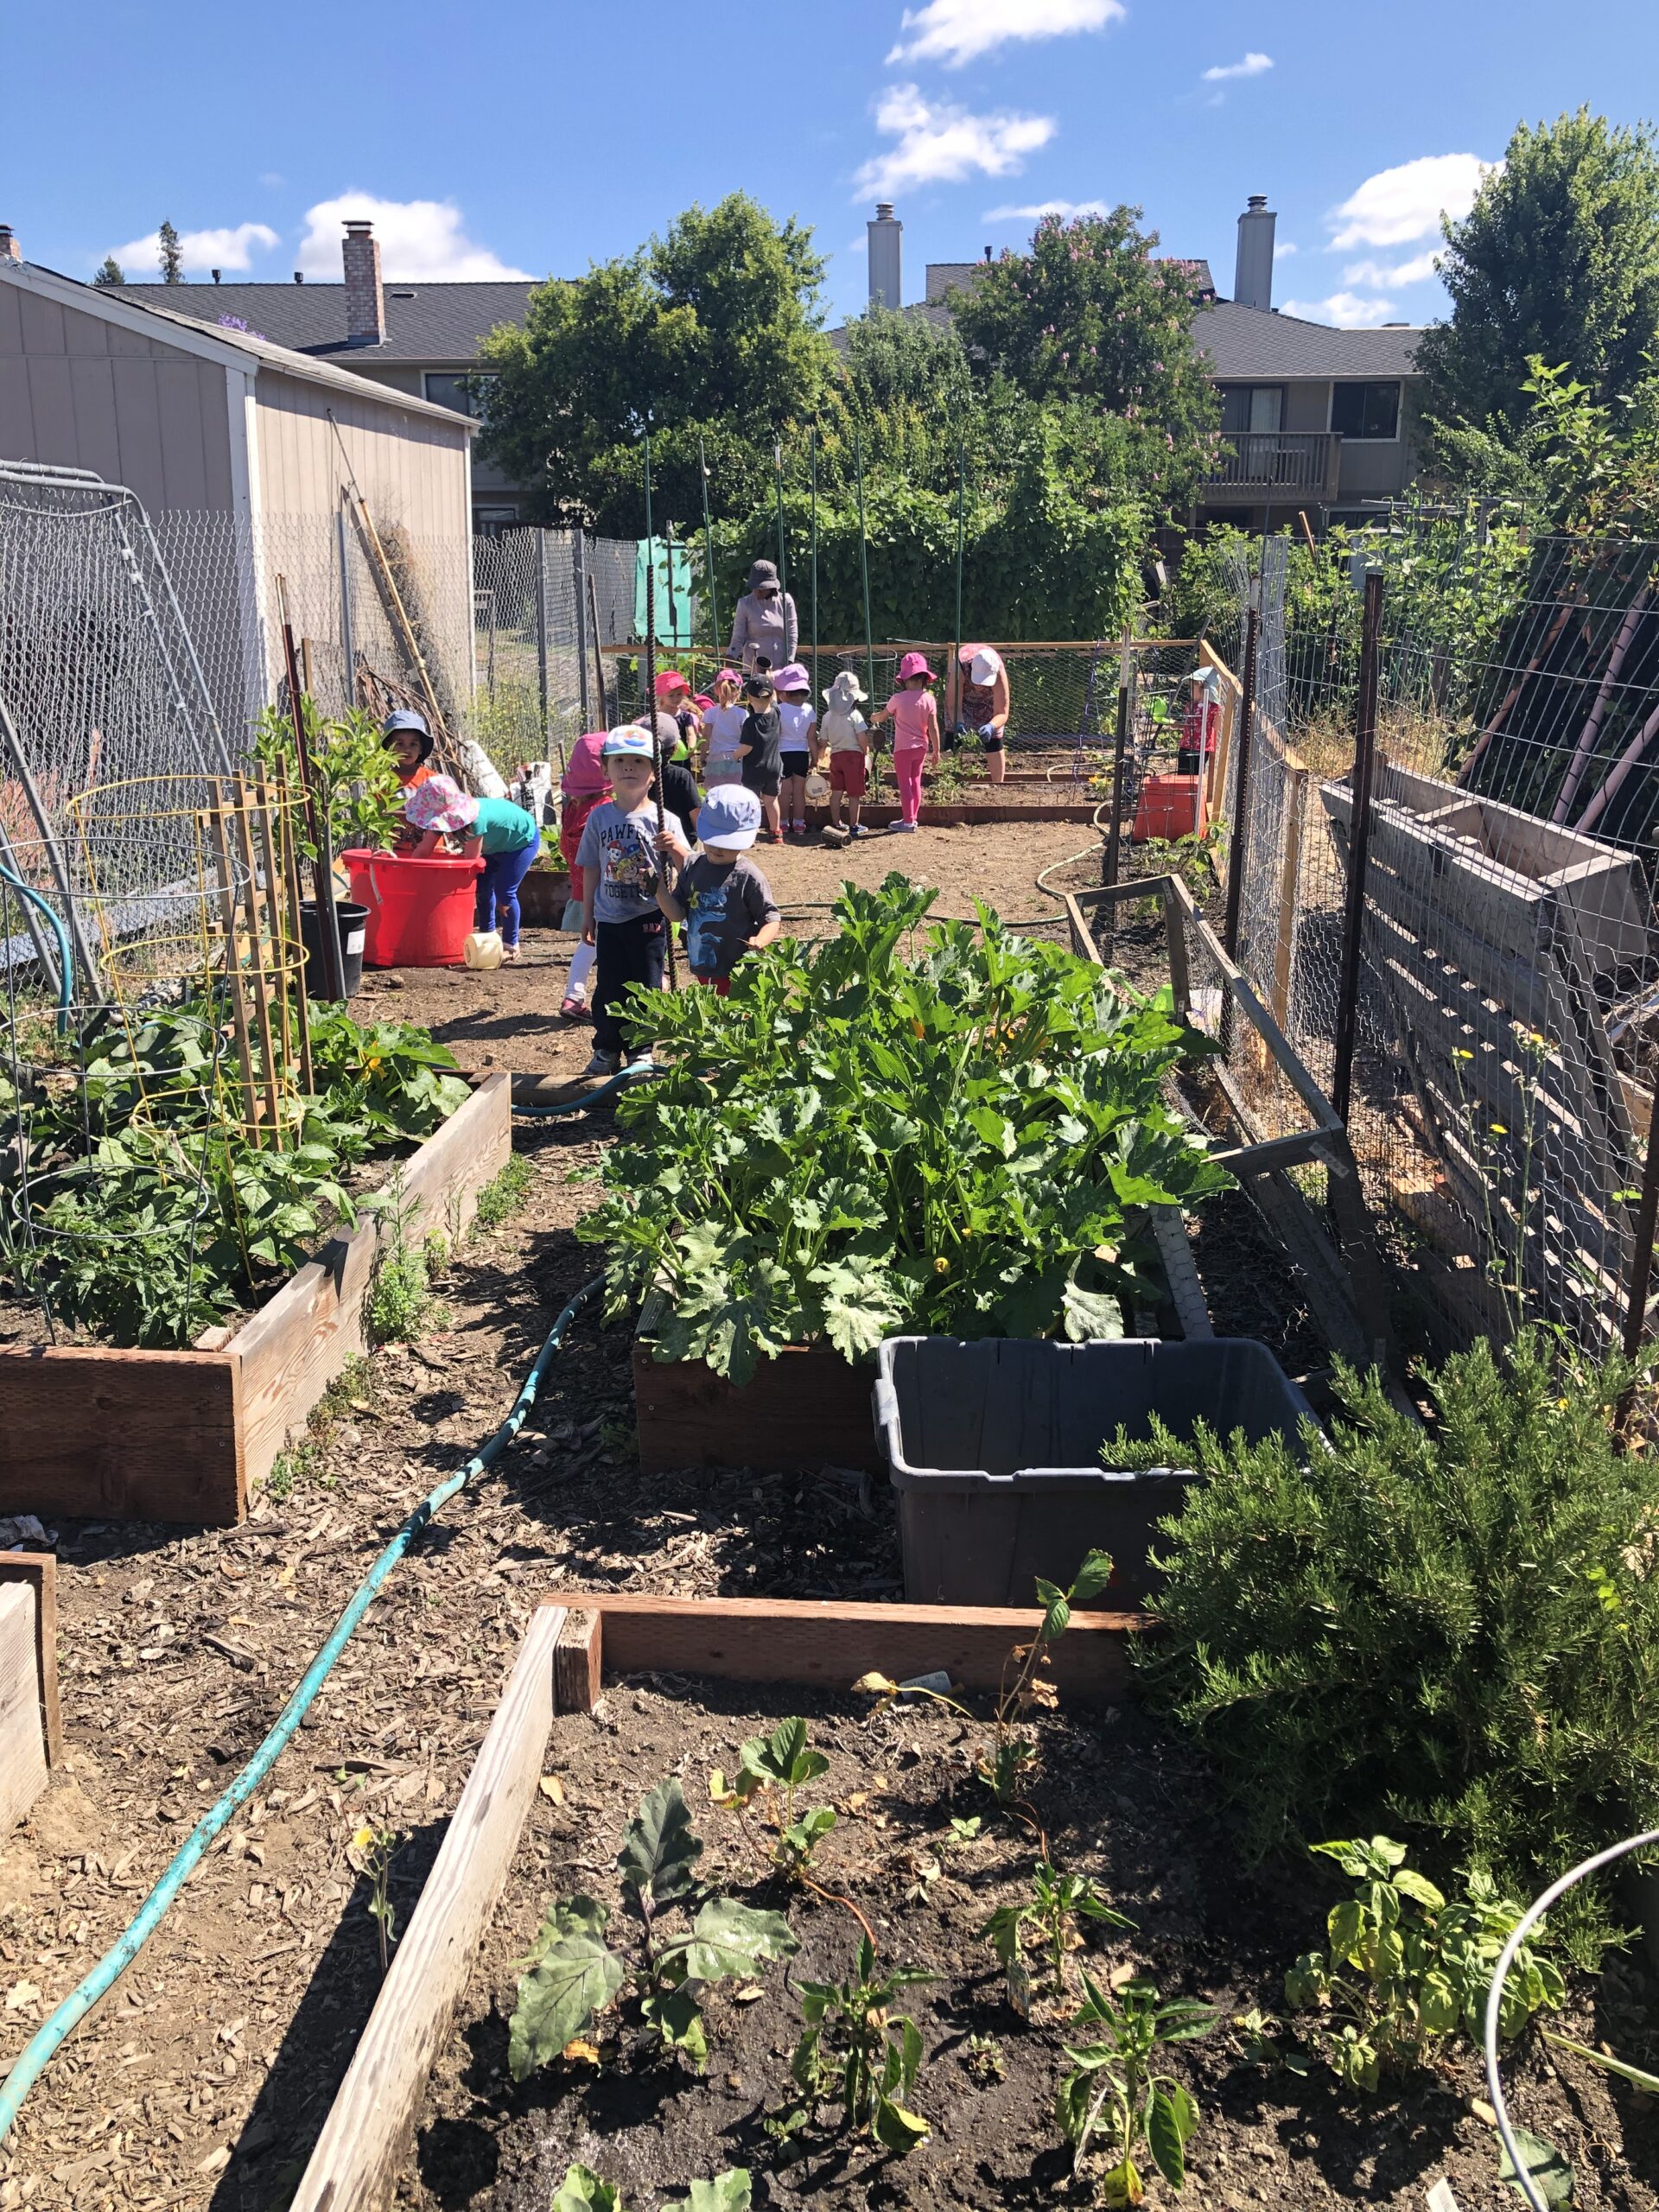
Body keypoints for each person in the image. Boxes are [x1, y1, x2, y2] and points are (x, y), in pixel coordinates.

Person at [575, 730, 687, 1078]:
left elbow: (688, 866)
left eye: (638, 761)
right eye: (619, 761)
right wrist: (587, 913)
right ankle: (607, 1046)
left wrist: (676, 849)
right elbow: (591, 867)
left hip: (649, 917)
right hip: (609, 917)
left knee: (646, 983)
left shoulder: (665, 819)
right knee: (609, 985)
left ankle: (641, 1049)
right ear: (606, 769)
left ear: (653, 772)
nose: (628, 768)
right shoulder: (599, 818)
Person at [654, 785, 780, 995]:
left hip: (738, 969)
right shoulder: (693, 866)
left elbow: (771, 917)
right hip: (702, 962)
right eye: (712, 840)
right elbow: (677, 915)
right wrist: (659, 890)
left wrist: (762, 939)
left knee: (736, 1017)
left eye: (727, 843)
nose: (717, 848)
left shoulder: (748, 876)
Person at [404, 775, 540, 962]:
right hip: (494, 844)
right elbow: (423, 850)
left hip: (521, 841)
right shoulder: (440, 822)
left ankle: (511, 945)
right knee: (483, 887)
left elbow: (470, 861)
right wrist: (407, 876)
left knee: (504, 892)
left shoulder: (476, 821)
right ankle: (487, 935)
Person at [558, 731, 609, 1020]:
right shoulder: (604, 811)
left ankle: (573, 997)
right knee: (607, 946)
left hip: (581, 888)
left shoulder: (571, 810)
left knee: (588, 946)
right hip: (606, 891)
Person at [870, 651, 940, 833]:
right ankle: (913, 817)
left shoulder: (898, 699)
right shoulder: (929, 699)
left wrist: (873, 717)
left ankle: (908, 821)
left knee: (905, 783)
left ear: (905, 679)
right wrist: (936, 750)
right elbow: (933, 727)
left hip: (903, 749)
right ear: (924, 678)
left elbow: (883, 717)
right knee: (916, 781)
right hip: (921, 747)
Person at [947, 644, 1012, 789]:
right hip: (962, 699)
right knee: (953, 736)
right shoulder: (960, 667)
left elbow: (1002, 712)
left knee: (995, 740)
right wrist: (959, 723)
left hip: (988, 702)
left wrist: (991, 726)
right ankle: (950, 782)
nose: (980, 686)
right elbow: (953, 705)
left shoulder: (999, 672)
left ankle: (998, 786)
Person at [819, 669, 871, 839]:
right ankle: (854, 825)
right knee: (854, 793)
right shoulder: (855, 715)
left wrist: (820, 756)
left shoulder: (827, 716)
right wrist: (866, 752)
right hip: (853, 757)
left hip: (836, 756)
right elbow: (862, 737)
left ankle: (836, 822)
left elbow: (823, 741)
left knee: (837, 791)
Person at [726, 558, 798, 676]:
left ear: (772, 587)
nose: (757, 592)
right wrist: (728, 663)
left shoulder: (786, 601)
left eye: (762, 588)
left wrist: (789, 662)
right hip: (753, 669)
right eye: (755, 588)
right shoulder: (745, 604)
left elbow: (792, 636)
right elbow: (737, 639)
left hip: (779, 669)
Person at [738, 671, 785, 842]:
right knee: (772, 801)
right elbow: (775, 701)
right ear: (772, 694)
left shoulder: (750, 722)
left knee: (752, 803)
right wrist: (769, 678)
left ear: (749, 698)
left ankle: (750, 834)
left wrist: (735, 755)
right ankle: (776, 832)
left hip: (754, 769)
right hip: (774, 768)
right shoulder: (776, 714)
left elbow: (746, 747)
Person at [773, 664, 817, 839]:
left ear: (785, 691)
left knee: (784, 791)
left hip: (782, 754)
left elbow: (775, 734)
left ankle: (783, 822)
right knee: (799, 791)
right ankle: (799, 822)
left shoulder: (778, 709)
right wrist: (815, 758)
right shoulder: (809, 710)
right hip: (801, 754)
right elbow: (811, 738)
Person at [383, 709, 435, 851]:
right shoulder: (383, 780)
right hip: (394, 851)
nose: (407, 750)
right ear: (389, 747)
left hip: (428, 851)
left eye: (413, 744)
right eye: (400, 744)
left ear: (421, 748)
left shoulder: (432, 780)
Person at [702, 667, 748, 788]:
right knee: (735, 791)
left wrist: (703, 755)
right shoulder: (742, 714)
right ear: (738, 692)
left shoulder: (710, 713)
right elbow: (746, 739)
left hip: (715, 758)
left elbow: (706, 737)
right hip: (737, 758)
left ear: (716, 690)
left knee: (715, 792)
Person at [1178, 665, 1223, 779]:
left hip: (1202, 749)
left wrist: (1219, 716)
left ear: (1204, 687)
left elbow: (1216, 728)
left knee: (1196, 777)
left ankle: (1195, 796)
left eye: (1193, 687)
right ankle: (1183, 795)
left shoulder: (1213, 707)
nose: (1190, 691)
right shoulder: (1190, 706)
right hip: (1186, 746)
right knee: (1182, 775)